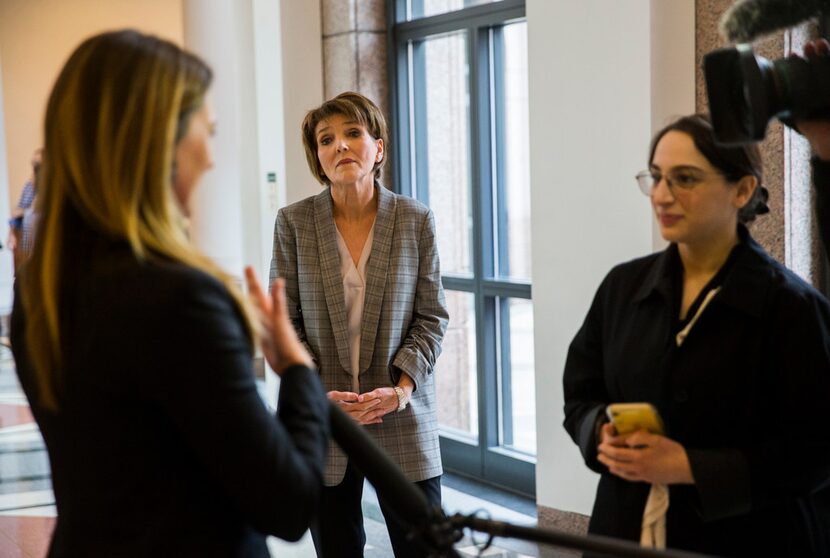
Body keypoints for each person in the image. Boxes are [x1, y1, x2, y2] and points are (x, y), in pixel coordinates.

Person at [10, 29, 329, 557]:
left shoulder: (41, 293)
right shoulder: (179, 301)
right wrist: (298, 371)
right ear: (160, 142)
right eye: (209, 131)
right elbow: (289, 503)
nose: (210, 159)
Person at [563, 114, 830, 557]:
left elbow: (816, 452)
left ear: (742, 190)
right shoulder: (622, 288)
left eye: (684, 179)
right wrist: (599, 431)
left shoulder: (793, 308)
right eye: (657, 177)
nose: (663, 195)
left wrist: (692, 467)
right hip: (625, 527)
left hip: (752, 538)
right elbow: (580, 393)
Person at [270, 91, 448, 558]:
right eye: (326, 140)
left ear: (379, 148)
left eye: (353, 133)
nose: (341, 146)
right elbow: (285, 323)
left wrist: (402, 389)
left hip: (403, 416)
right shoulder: (293, 223)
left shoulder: (415, 219)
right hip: (325, 421)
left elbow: (432, 315)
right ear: (318, 159)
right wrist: (313, 396)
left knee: (424, 548)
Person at [8, 148, 42, 269]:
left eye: (38, 164)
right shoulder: (29, 186)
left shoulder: (51, 188)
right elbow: (17, 211)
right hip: (27, 244)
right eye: (34, 164)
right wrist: (11, 233)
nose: (35, 168)